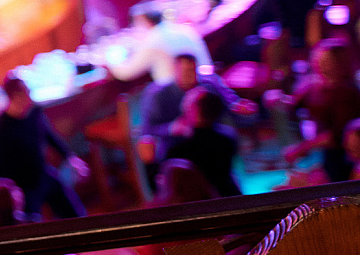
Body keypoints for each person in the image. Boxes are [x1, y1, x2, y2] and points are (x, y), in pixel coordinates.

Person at [0, 76, 89, 220]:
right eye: (26, 93)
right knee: (32, 223)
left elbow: (49, 136)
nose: (29, 96)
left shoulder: (34, 113)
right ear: (15, 97)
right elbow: (0, 166)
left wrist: (70, 158)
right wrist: (10, 194)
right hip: (22, 187)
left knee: (75, 212)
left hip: (43, 173)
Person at [271, 38, 360, 181]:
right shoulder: (312, 84)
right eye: (318, 59)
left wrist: (302, 148)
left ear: (340, 64)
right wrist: (279, 99)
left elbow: (335, 136)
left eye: (326, 61)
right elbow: (294, 104)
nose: (319, 64)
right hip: (318, 148)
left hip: (340, 154)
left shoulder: (347, 93)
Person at [137, 53, 249, 165]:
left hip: (211, 137)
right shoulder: (159, 95)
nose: (190, 76)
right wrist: (172, 128)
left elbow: (230, 105)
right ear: (175, 70)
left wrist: (239, 107)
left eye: (192, 71)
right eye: (185, 71)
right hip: (176, 144)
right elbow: (148, 130)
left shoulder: (209, 85)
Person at [160, 88, 243, 199]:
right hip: (230, 198)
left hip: (196, 204)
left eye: (186, 104)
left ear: (193, 110)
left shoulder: (178, 147)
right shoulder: (228, 138)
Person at [108, 6, 212, 84]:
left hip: (182, 93)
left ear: (144, 22)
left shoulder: (153, 40)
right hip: (209, 81)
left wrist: (111, 60)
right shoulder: (183, 28)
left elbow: (126, 72)